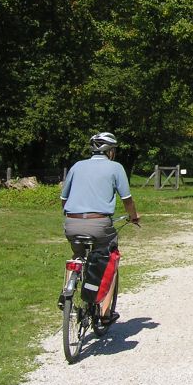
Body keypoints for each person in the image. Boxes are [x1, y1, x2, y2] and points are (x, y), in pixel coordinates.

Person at [60, 132, 139, 321]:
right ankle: (105, 313)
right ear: (110, 151)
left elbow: (63, 199)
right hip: (99, 224)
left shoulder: (77, 166)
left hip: (72, 223)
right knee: (110, 260)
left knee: (77, 255)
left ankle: (67, 291)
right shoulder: (115, 168)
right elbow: (127, 200)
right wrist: (133, 217)